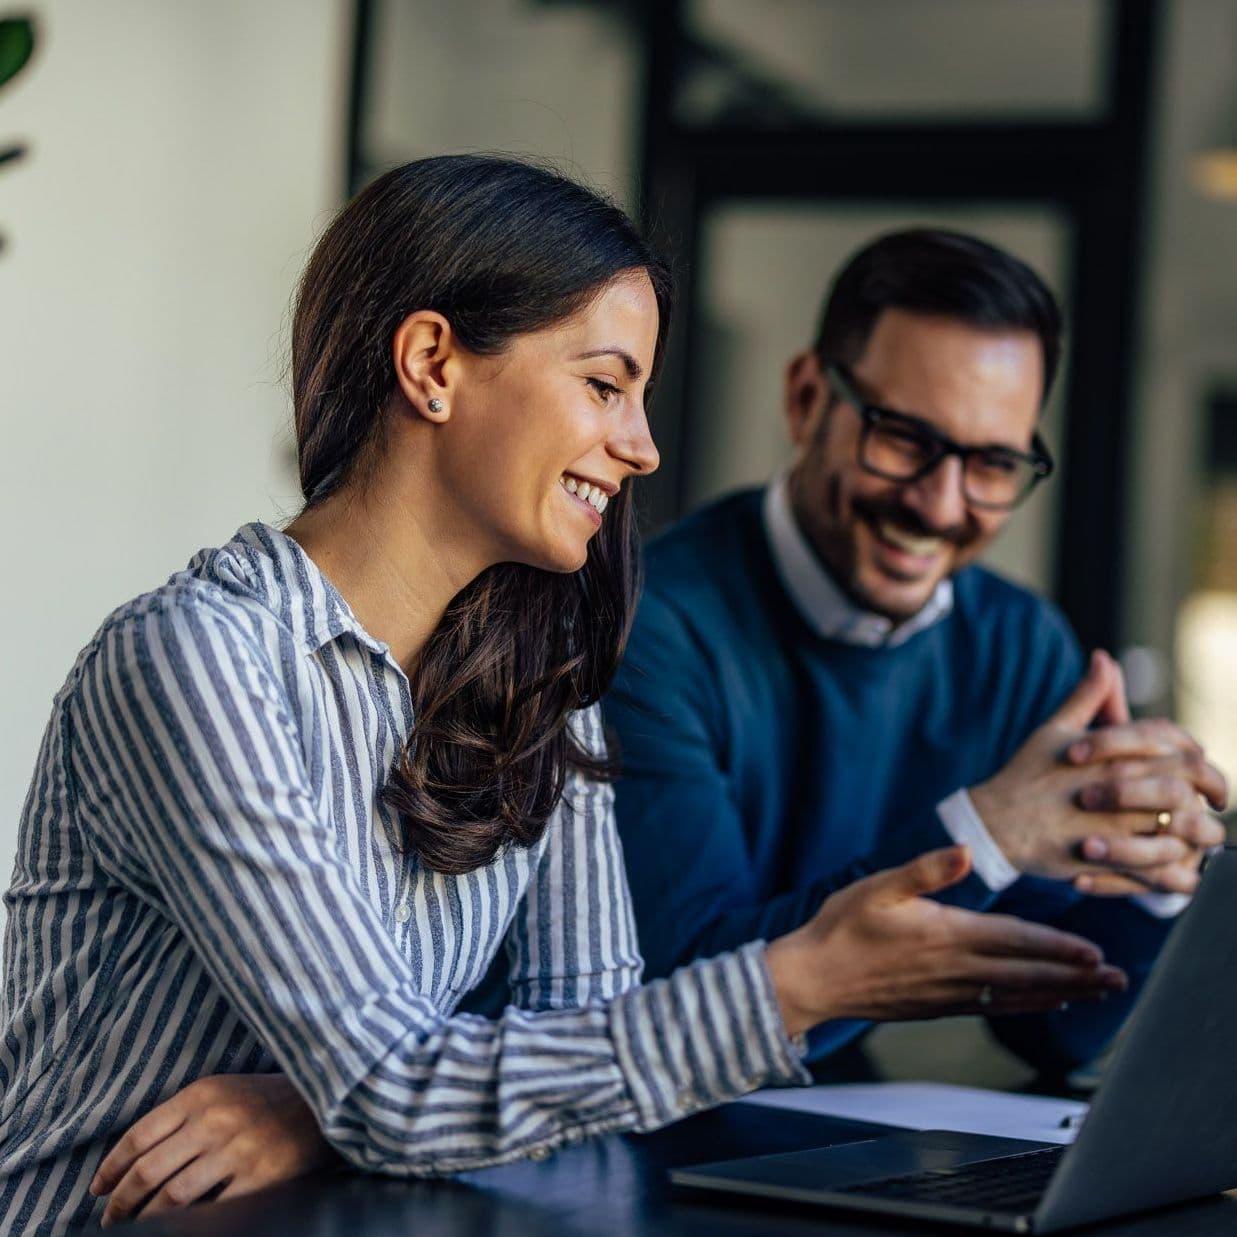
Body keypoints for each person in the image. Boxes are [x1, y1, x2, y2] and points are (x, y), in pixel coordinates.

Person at [0, 162, 1125, 1234]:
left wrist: (333, 1113)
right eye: (603, 385)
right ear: (433, 364)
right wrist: (796, 982)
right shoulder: (195, 660)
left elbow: (581, 1048)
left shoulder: (542, 680)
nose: (638, 447)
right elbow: (397, 1085)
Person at [605, 228, 1227, 1079]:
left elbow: (1050, 1030)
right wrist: (986, 837)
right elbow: (678, 994)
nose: (940, 505)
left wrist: (1158, 872)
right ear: (804, 398)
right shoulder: (643, 623)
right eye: (903, 439)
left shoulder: (1019, 644)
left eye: (992, 463)